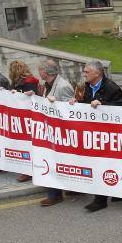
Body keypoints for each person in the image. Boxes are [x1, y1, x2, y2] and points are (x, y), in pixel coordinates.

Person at [69, 60, 122, 213]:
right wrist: (78, 102)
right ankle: (117, 193)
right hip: (95, 133)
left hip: (109, 134)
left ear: (97, 73)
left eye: (87, 72)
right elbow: (88, 104)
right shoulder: (89, 86)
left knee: (104, 164)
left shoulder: (111, 88)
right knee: (100, 163)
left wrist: (103, 103)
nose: (84, 74)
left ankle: (100, 200)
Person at [37, 59, 75, 206]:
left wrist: (55, 104)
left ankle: (55, 194)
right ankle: (64, 190)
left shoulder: (63, 86)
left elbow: (69, 111)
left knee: (54, 160)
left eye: (40, 69)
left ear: (45, 72)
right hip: (51, 130)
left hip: (61, 132)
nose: (38, 72)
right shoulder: (48, 85)